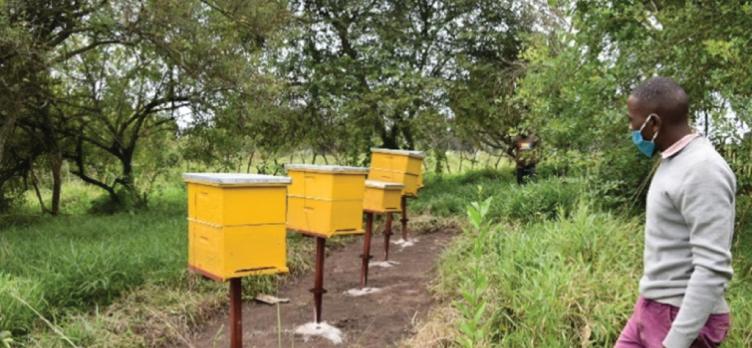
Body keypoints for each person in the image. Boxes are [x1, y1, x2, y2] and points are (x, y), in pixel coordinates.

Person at [616, 77, 735, 348]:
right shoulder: (673, 161)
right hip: (652, 306)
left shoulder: (702, 169)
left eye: (633, 120)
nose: (631, 128)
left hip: (679, 316)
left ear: (654, 122)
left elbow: (713, 267)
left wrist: (677, 341)